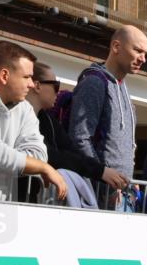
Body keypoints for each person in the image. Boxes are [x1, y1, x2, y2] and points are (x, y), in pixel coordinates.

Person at [0, 41, 67, 200]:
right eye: (27, 77)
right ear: (4, 76)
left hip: (0, 209)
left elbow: (39, 153)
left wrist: (8, 162)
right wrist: (40, 168)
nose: (31, 84)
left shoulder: (25, 108)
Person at [29, 64, 127, 207]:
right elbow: (51, 155)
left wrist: (101, 171)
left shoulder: (49, 121)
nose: (59, 92)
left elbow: (71, 151)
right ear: (37, 86)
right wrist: (101, 172)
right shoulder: (18, 116)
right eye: (55, 86)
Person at [68, 25, 147, 188]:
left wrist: (128, 180)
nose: (143, 59)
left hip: (121, 192)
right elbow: (80, 137)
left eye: (145, 53)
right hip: (100, 194)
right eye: (138, 50)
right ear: (116, 46)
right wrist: (101, 179)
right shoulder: (94, 83)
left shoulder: (122, 87)